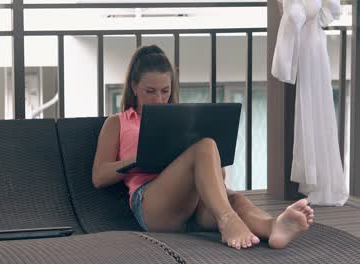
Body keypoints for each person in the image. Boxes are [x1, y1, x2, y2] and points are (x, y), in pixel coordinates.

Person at [92, 45, 315, 250]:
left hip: (194, 205)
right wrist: (137, 160)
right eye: (150, 91)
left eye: (165, 91)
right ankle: (227, 221)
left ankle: (273, 226)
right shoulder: (118, 122)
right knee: (205, 147)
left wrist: (213, 170)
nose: (159, 99)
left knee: (232, 195)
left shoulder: (180, 121)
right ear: (134, 86)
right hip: (152, 204)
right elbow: (99, 176)